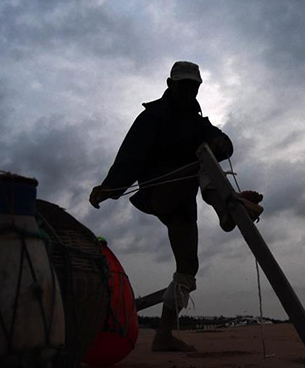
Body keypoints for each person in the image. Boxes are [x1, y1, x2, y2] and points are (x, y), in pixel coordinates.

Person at [89, 61, 262, 352]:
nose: (189, 92)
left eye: (194, 87)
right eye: (184, 86)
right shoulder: (152, 117)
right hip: (162, 192)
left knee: (187, 268)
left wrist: (222, 143)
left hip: (183, 203)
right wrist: (109, 188)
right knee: (204, 157)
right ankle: (226, 207)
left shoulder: (197, 122)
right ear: (171, 85)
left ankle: (163, 335)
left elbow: (224, 142)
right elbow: (129, 157)